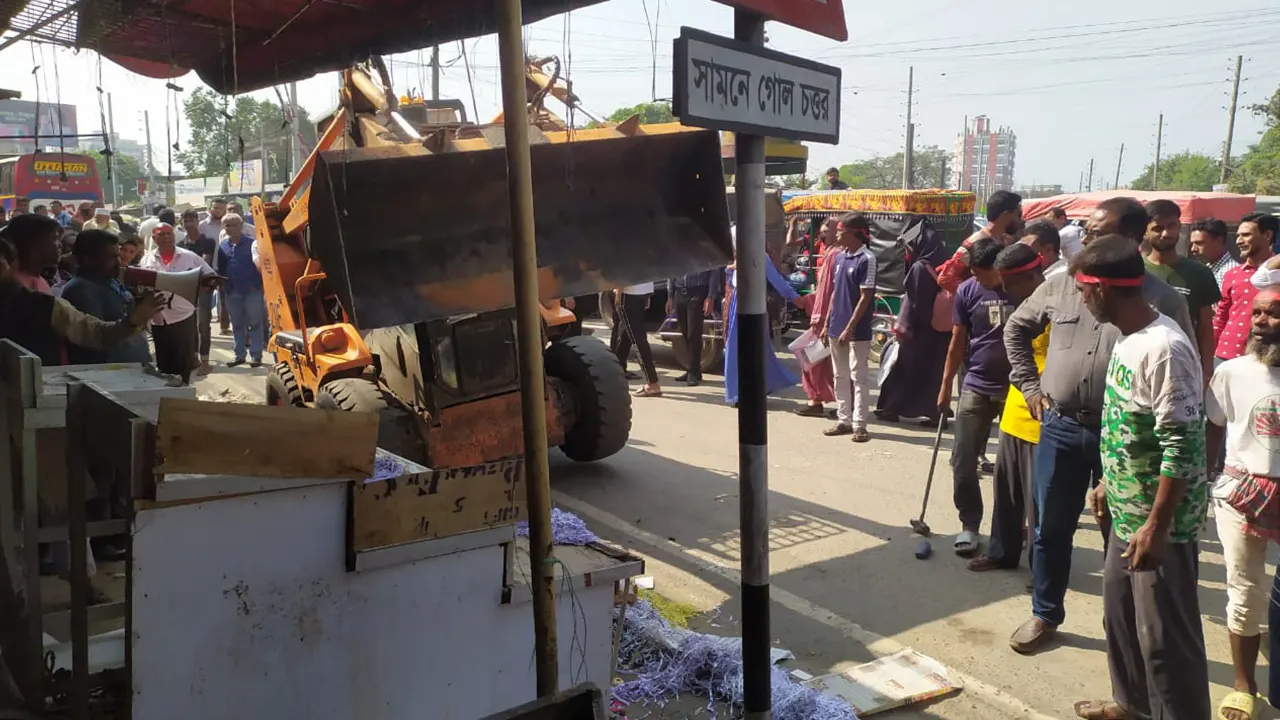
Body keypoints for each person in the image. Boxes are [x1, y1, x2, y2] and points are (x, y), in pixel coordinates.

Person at [1003, 195, 1195, 654]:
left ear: (1132, 238)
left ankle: (1124, 627)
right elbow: (1016, 328)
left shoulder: (1161, 301)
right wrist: (1030, 388)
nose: (1086, 237)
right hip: (1061, 426)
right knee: (1050, 527)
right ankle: (1045, 613)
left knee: (1122, 533)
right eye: (1086, 230)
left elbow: (1181, 386)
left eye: (1098, 231)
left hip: (1128, 441)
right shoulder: (1061, 284)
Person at [1070, 234, 1209, 720]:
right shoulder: (1130, 340)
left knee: (1166, 642)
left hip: (1159, 524)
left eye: (1082, 291)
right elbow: (1132, 426)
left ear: (1102, 290)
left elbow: (1184, 446)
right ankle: (1131, 706)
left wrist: (1157, 525)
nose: (1081, 301)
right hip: (1128, 513)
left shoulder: (1165, 349)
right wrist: (1110, 481)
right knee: (1123, 622)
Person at [1206, 280, 1280, 720]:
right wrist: (1204, 477)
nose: (1263, 322)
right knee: (1245, 592)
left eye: (1273, 313)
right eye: (1257, 313)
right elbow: (1214, 426)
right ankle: (1243, 684)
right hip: (1240, 493)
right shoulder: (1232, 371)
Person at [968, 242, 1046, 573]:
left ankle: (1041, 569)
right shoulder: (1023, 306)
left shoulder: (1057, 307)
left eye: (1007, 283)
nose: (1003, 290)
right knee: (1008, 494)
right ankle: (1002, 552)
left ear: (1030, 276)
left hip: (1043, 420)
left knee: (1040, 503)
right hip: (1015, 414)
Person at [937, 237, 1013, 556]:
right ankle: (969, 524)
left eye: (983, 273)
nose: (978, 278)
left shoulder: (1022, 289)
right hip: (976, 383)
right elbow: (957, 342)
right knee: (962, 458)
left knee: (1013, 468)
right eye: (975, 272)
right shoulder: (968, 291)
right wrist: (944, 388)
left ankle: (1008, 530)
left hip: (1017, 390)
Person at [875, 219, 951, 425]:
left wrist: (906, 327)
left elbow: (916, 303)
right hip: (939, 331)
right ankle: (937, 414)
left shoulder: (919, 267)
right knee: (933, 374)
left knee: (901, 370)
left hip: (918, 331)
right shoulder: (943, 263)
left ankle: (890, 408)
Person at [724, 227, 803, 407]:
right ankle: (742, 392)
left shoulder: (760, 257)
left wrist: (795, 298)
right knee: (737, 350)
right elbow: (731, 282)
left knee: (752, 350)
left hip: (752, 306)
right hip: (737, 304)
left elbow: (777, 281)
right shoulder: (736, 259)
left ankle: (750, 391)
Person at [1143, 199, 1219, 384]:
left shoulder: (1199, 273)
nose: (1166, 233)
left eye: (1171, 226)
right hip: (1140, 362)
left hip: (1183, 366)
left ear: (1179, 226)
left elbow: (1205, 326)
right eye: (1158, 228)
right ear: (1145, 231)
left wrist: (1207, 371)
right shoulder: (1134, 270)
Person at [822, 214, 878, 442]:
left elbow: (865, 297)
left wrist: (849, 327)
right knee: (840, 376)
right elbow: (836, 293)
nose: (836, 234)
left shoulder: (867, 259)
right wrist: (828, 322)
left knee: (859, 377)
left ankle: (859, 424)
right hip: (836, 327)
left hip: (857, 331)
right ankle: (843, 419)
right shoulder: (840, 258)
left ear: (852, 233)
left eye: (840, 231)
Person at [59, 230, 152, 365]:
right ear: (88, 260)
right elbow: (94, 343)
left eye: (118, 256)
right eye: (111, 258)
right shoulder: (81, 290)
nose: (119, 263)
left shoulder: (112, 281)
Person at [142, 223, 218, 382]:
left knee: (185, 363)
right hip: (158, 318)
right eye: (161, 234)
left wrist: (198, 289)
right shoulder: (146, 259)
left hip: (183, 316)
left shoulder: (189, 256)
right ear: (154, 238)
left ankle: (184, 390)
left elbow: (211, 276)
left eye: (168, 233)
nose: (165, 237)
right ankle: (168, 395)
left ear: (174, 236)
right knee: (163, 364)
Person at [1215, 213, 1279, 367]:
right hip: (1225, 355)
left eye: (1246, 235)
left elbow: (1260, 278)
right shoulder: (1233, 274)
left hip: (1268, 357)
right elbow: (1220, 317)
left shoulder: (1274, 275)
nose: (1238, 241)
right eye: (1238, 236)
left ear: (1268, 235)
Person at [937, 190, 1023, 293]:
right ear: (1006, 214)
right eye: (1019, 215)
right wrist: (974, 294)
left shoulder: (1006, 241)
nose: (1021, 221)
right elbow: (945, 278)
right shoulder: (973, 243)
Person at [795, 218, 839, 418]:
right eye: (821, 231)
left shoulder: (837, 255)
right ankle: (815, 400)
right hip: (822, 314)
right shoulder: (827, 252)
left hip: (830, 317)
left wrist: (822, 316)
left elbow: (833, 291)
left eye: (825, 232)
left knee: (821, 361)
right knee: (814, 360)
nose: (822, 235)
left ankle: (835, 404)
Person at [216, 213, 265, 367]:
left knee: (255, 323)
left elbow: (260, 267)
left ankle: (256, 355)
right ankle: (239, 355)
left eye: (234, 225)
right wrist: (224, 287)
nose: (231, 228)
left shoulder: (252, 244)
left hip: (252, 290)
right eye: (227, 225)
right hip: (232, 291)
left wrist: (257, 285)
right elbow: (221, 269)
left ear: (241, 226)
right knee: (237, 324)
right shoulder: (223, 245)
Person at [665, 266, 723, 386]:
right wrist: (670, 296)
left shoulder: (702, 250)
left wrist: (710, 296)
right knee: (685, 332)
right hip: (680, 292)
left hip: (698, 292)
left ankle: (693, 372)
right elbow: (671, 272)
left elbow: (714, 271)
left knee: (694, 333)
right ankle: (693, 369)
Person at [180, 209, 217, 376]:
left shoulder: (207, 241)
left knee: (203, 325)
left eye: (191, 221)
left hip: (204, 287)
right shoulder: (181, 244)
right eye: (185, 221)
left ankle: (205, 361)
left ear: (197, 221)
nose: (188, 224)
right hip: (187, 289)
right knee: (190, 326)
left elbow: (204, 262)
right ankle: (193, 358)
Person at [611, 283, 661, 398]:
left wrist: (618, 292)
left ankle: (652, 382)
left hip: (628, 292)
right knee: (625, 335)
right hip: (642, 291)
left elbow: (622, 270)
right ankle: (615, 374)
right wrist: (648, 294)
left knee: (637, 339)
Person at [0, 214, 60, 293]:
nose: (59, 244)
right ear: (34, 244)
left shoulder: (39, 280)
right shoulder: (13, 288)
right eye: (54, 239)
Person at [1189, 217, 1238, 290]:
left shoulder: (1232, 272)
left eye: (1199, 243)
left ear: (1219, 241)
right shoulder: (1207, 269)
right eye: (1192, 244)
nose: (1193, 249)